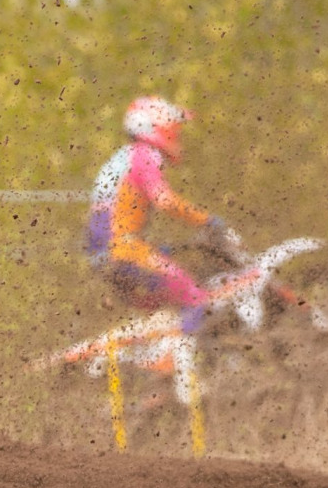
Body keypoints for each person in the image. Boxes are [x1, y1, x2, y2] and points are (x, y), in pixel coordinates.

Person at [85, 96, 238, 334]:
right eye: (172, 128)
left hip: (106, 257)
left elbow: (109, 222)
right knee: (195, 299)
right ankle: (188, 353)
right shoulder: (145, 156)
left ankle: (165, 347)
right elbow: (164, 200)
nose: (176, 133)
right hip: (124, 251)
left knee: (168, 305)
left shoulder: (123, 157)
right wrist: (207, 220)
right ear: (154, 127)